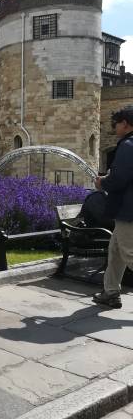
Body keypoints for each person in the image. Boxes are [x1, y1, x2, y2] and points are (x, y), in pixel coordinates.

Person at [93, 106, 133, 308]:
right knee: (116, 252)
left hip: (128, 211)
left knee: (130, 254)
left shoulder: (128, 145)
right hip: (126, 210)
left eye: (115, 124)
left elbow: (119, 179)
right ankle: (111, 293)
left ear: (125, 124)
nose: (114, 127)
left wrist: (102, 182)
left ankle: (110, 292)